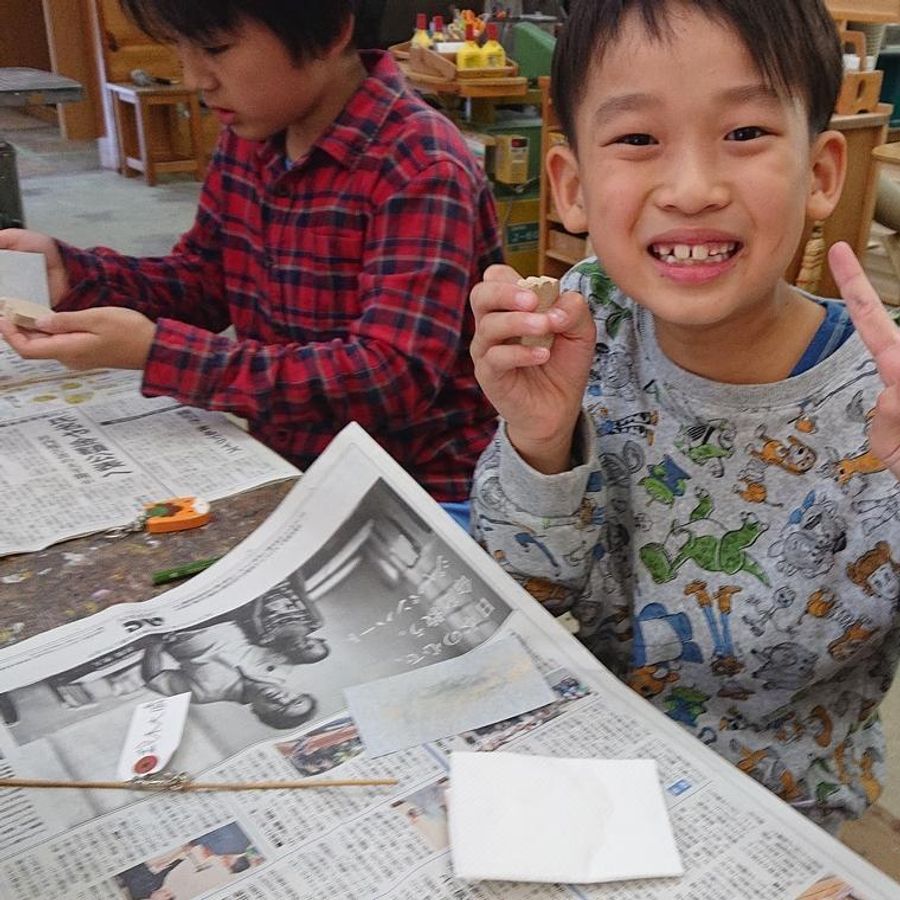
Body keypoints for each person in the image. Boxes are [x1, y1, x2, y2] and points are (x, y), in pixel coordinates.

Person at [469, 0, 900, 834]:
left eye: (744, 133)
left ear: (821, 173)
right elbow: (526, 594)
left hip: (781, 812)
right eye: (637, 139)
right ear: (572, 186)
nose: (693, 189)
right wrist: (539, 438)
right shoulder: (583, 323)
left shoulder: (880, 402)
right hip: (586, 767)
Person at [0, 0, 502, 519]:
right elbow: (203, 283)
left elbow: (387, 375)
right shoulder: (253, 138)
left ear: (330, 31)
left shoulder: (420, 165)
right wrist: (76, 273)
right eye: (181, 50)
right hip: (292, 467)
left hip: (419, 491)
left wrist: (159, 355)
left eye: (216, 49)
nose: (196, 78)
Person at [141, 621, 316, 729]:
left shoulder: (205, 694)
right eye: (295, 700)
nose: (282, 700)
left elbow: (153, 677)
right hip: (222, 612)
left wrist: (155, 646)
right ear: (297, 691)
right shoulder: (283, 664)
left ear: (258, 712)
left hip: (176, 628)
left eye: (280, 709)